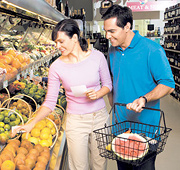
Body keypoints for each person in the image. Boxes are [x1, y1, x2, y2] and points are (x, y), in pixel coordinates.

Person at [12, 19, 112, 170]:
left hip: (99, 118)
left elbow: (108, 85)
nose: (57, 46)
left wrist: (98, 94)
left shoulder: (97, 57)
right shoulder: (56, 67)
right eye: (56, 42)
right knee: (79, 166)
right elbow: (50, 102)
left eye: (61, 41)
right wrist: (30, 124)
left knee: (100, 164)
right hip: (76, 122)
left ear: (75, 38)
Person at [101, 4, 175, 170]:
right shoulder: (112, 51)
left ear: (127, 26)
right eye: (106, 31)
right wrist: (113, 105)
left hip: (145, 129)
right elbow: (113, 81)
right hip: (120, 127)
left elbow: (168, 84)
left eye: (112, 31)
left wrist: (144, 98)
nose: (107, 36)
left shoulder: (152, 50)